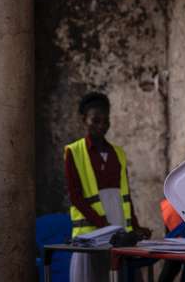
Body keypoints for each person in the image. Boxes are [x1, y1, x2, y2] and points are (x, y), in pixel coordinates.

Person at [65, 92, 152, 282]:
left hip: (117, 224)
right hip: (92, 231)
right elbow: (76, 197)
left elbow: (126, 196)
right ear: (83, 119)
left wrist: (135, 227)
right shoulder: (74, 151)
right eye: (95, 120)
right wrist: (104, 226)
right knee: (94, 275)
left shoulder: (117, 153)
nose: (102, 126)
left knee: (118, 274)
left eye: (106, 121)